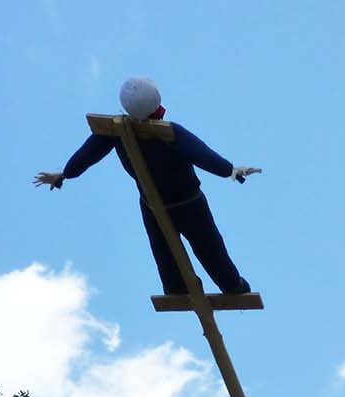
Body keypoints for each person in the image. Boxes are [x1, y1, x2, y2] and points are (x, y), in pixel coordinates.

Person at [36, 76, 259, 297]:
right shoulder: (170, 132)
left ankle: (176, 287)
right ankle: (232, 286)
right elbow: (201, 154)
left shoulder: (115, 131)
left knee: (164, 249)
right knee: (208, 246)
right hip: (189, 203)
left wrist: (65, 174)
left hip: (153, 206)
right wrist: (230, 170)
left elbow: (87, 155)